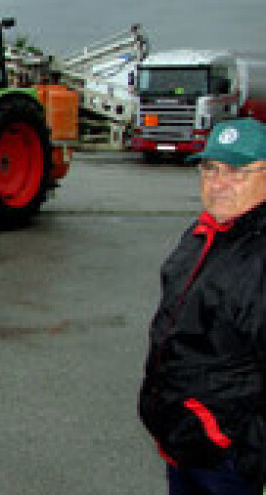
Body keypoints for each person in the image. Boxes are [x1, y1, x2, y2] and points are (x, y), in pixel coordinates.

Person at [139, 118, 266, 495]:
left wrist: (238, 441)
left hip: (230, 459)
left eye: (238, 172)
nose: (218, 183)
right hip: (185, 441)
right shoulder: (206, 232)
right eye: (210, 169)